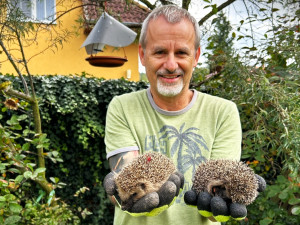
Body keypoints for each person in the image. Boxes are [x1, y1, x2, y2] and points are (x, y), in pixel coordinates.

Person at [105, 5, 242, 225]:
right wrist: (125, 192)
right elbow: (123, 179)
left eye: (181, 53)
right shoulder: (122, 107)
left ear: (196, 56)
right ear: (142, 54)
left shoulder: (223, 112)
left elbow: (219, 189)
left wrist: (222, 199)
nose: (170, 65)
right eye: (159, 52)